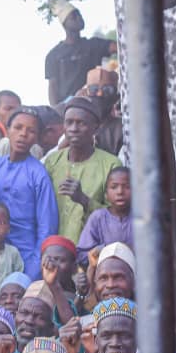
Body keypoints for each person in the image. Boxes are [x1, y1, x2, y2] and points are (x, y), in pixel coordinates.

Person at [0, 107, 59, 278]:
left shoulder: (38, 174)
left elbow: (47, 226)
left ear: (37, 137)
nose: (23, 134)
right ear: (8, 129)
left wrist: (33, 270)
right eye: (18, 127)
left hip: (26, 256)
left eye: (31, 131)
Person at [45, 97, 121, 245]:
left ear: (96, 127)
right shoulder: (52, 161)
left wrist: (84, 200)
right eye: (69, 122)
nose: (74, 128)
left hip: (91, 251)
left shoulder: (111, 164)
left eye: (81, 123)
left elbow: (117, 217)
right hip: (53, 252)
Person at [45, 1, 113, 106]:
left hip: (94, 102)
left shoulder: (93, 45)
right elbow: (52, 87)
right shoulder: (54, 55)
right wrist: (56, 111)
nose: (79, 18)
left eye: (79, 14)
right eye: (73, 16)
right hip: (69, 106)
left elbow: (119, 47)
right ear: (64, 23)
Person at [76, 166, 132, 264]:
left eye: (127, 187)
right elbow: (82, 255)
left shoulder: (142, 219)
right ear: (106, 193)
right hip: (104, 274)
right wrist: (106, 250)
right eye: (114, 187)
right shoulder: (98, 218)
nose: (120, 192)